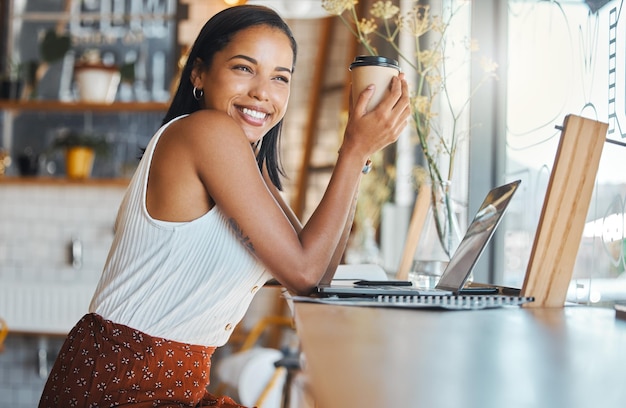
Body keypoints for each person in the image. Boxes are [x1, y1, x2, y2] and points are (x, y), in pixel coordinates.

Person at [39, 4, 410, 407]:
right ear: (199, 72)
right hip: (119, 384)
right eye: (243, 68)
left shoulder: (248, 165)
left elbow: (318, 273)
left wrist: (361, 154)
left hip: (167, 386)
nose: (262, 92)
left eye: (280, 78)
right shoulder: (207, 132)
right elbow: (304, 273)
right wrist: (354, 151)